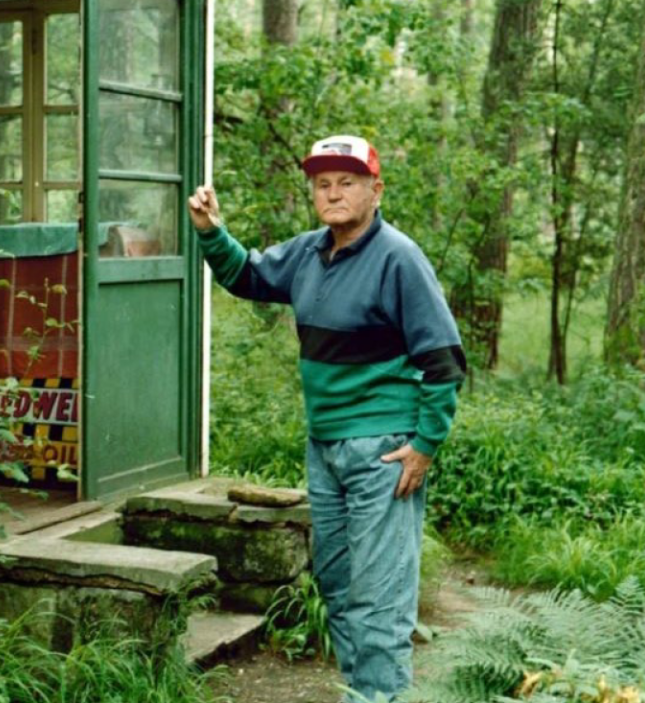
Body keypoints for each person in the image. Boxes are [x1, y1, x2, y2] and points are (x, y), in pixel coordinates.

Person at [188, 135, 465, 702]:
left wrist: (426, 443)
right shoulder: (309, 252)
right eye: (322, 184)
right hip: (326, 449)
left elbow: (443, 360)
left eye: (347, 182)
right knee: (338, 588)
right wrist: (212, 232)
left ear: (375, 190)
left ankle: (377, 697)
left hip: (383, 452)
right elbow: (250, 277)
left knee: (380, 599)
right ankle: (362, 692)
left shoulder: (399, 258)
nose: (333, 193)